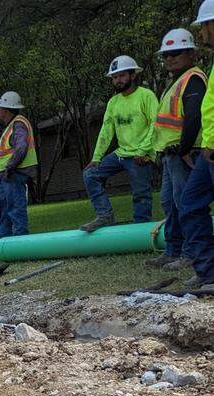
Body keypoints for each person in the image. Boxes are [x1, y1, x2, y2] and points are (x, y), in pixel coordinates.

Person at [149, 29, 208, 269]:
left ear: (191, 53)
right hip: (170, 155)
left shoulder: (193, 79)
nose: (170, 58)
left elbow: (194, 117)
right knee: (170, 204)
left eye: (176, 53)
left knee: (187, 205)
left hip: (185, 153)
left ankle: (190, 253)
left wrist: (183, 148)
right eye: (166, 55)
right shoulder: (175, 82)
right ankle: (174, 249)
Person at [81, 55, 159, 232]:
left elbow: (156, 124)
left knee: (141, 195)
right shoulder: (113, 102)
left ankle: (141, 232)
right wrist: (96, 158)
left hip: (142, 155)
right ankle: (105, 215)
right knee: (90, 174)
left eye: (122, 76)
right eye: (114, 77)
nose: (118, 80)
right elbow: (106, 131)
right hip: (121, 153)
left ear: (132, 75)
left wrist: (143, 151)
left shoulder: (146, 96)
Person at [174, 0, 214, 289]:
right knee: (189, 204)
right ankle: (208, 272)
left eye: (203, 26)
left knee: (189, 202)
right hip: (209, 151)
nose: (201, 33)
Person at [0, 91, 37, 239]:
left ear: (5, 109)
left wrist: (10, 167)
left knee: (14, 209)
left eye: (0, 108)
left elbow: (22, 147)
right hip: (7, 176)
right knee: (4, 210)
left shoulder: (18, 123)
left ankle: (20, 243)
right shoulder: (13, 125)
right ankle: (3, 242)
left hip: (13, 174)